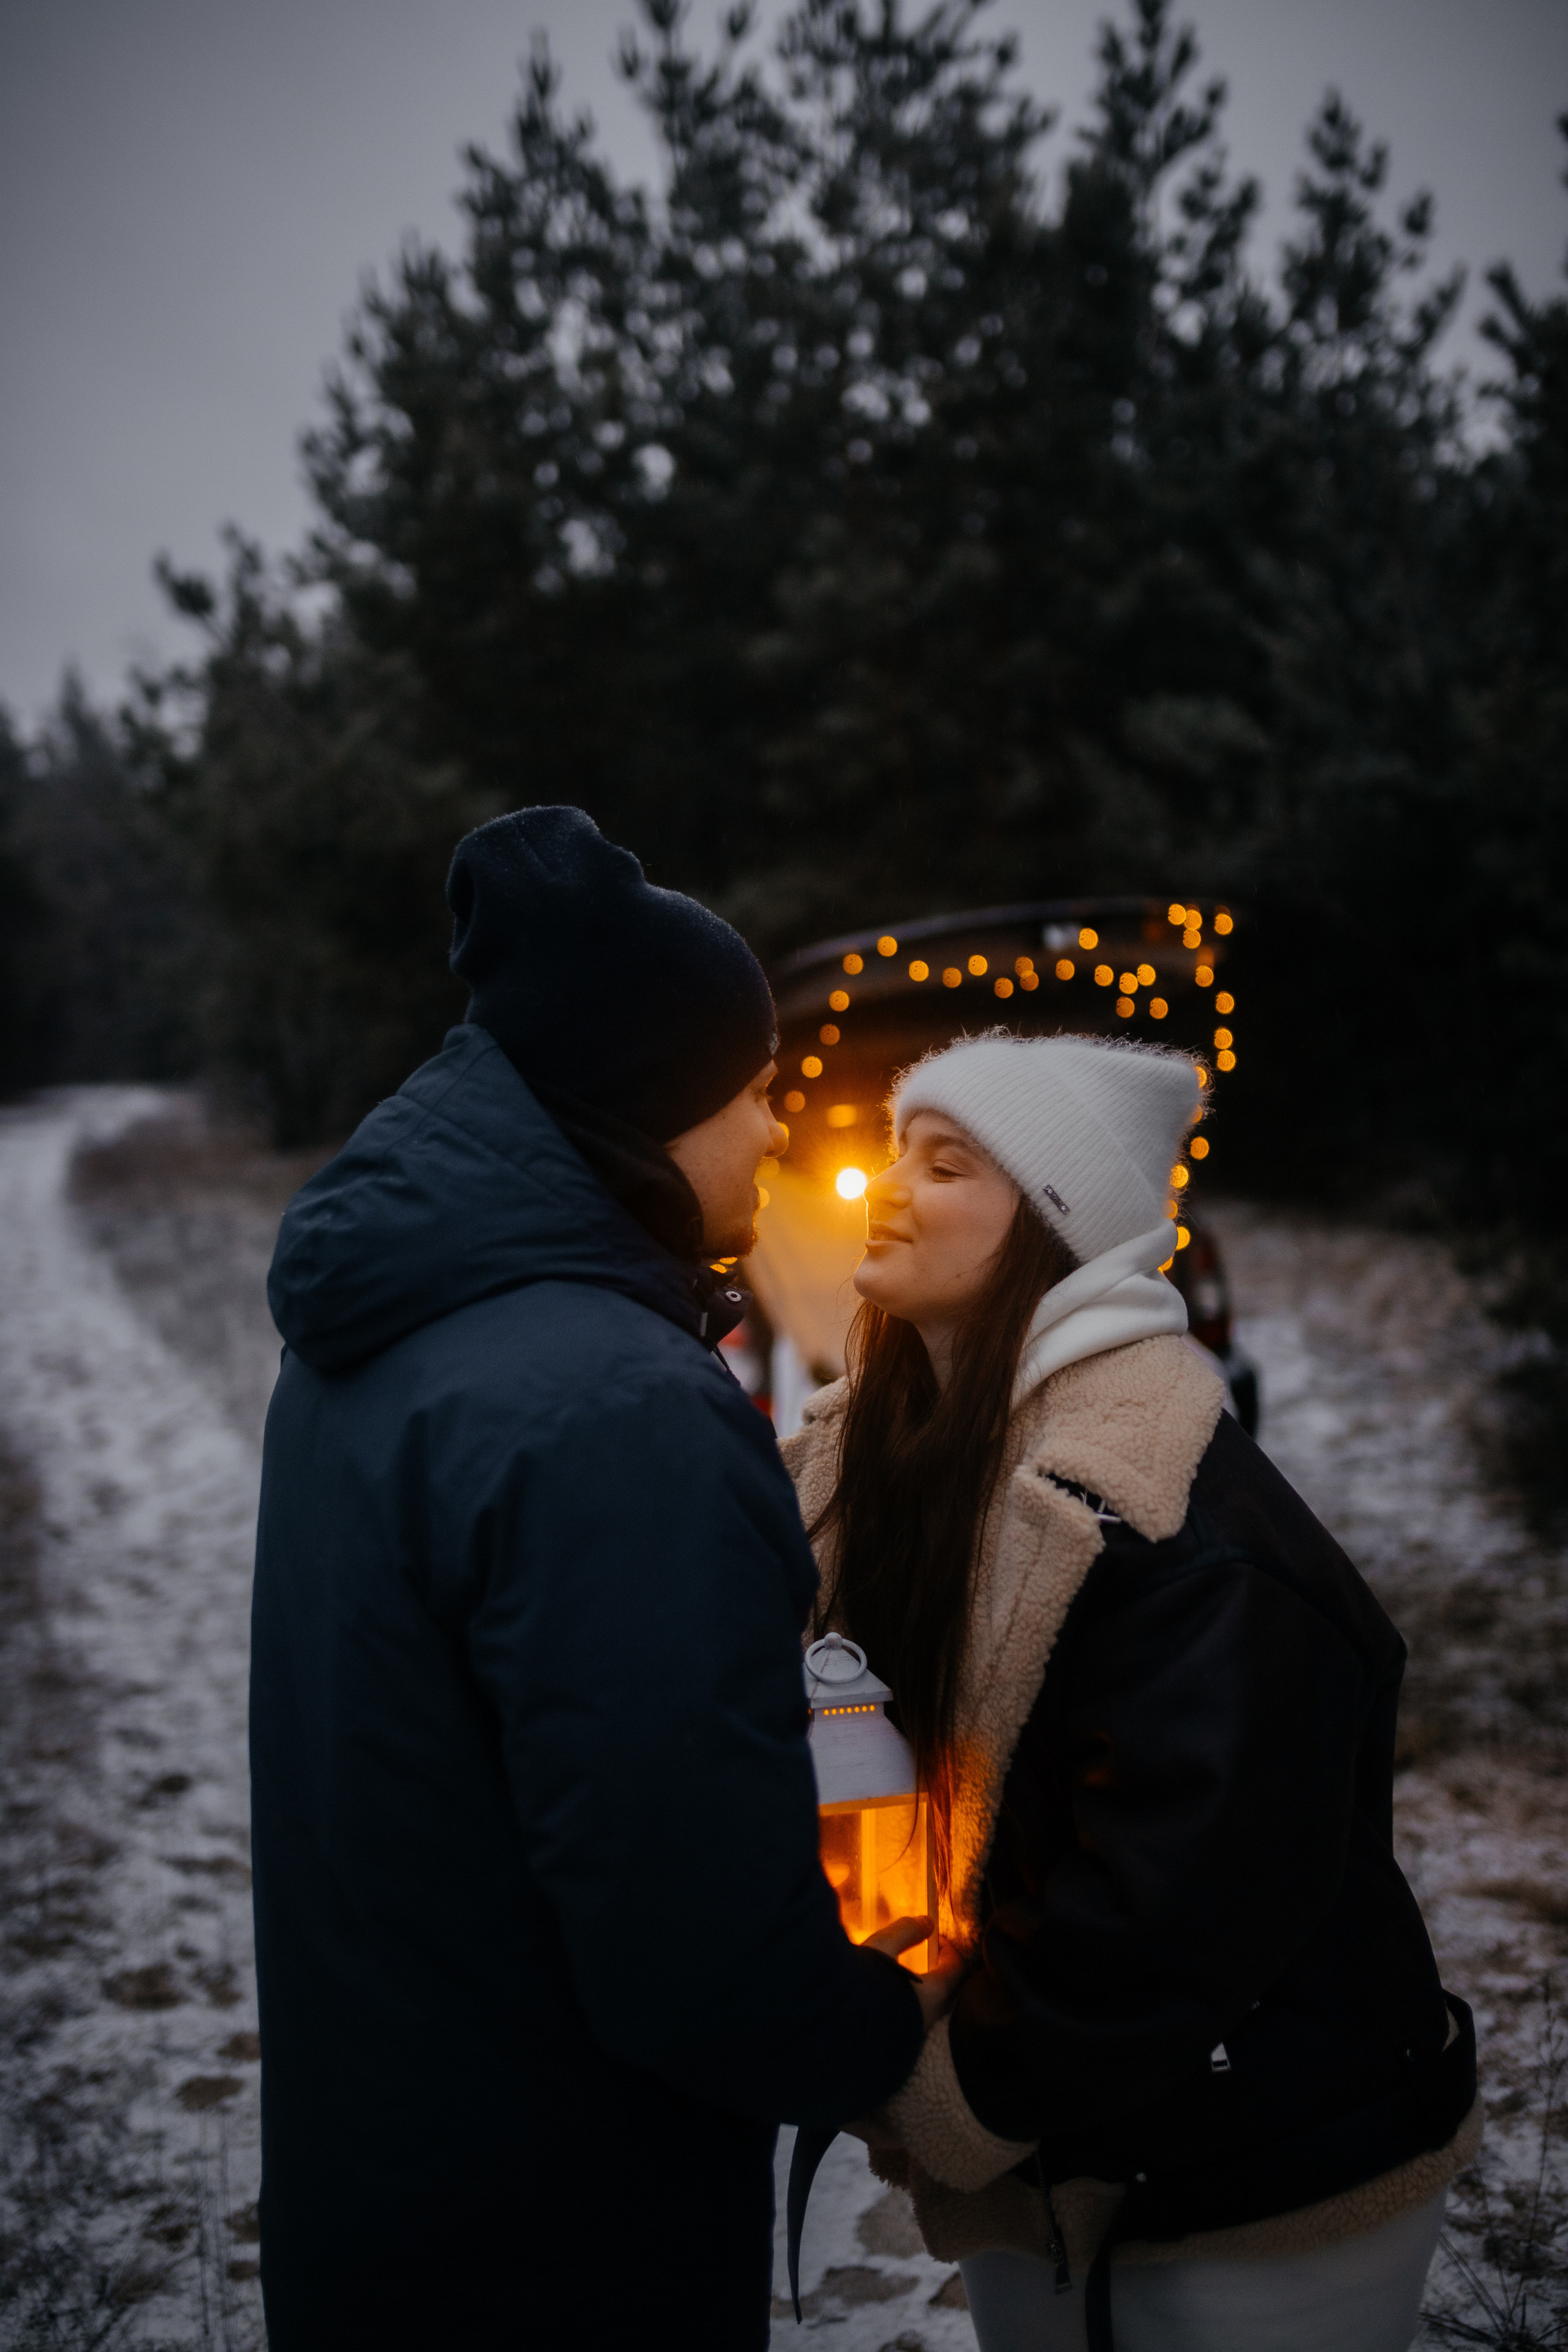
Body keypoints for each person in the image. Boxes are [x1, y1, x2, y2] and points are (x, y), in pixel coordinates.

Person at [250, 807, 937, 2351]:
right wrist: (880, 2027)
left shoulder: (384, 1328)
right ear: (649, 1101)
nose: (776, 1130)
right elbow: (689, 1940)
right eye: (752, 1091)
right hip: (558, 2238)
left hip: (385, 2182)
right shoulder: (614, 1411)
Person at [782, 1033, 1479, 2352]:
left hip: (1258, 2184)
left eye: (944, 1167)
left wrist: (939, 2093)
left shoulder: (1176, 1534)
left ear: (1055, 1228)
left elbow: (1166, 1908)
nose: (885, 1189)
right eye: (893, 1154)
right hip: (1047, 2162)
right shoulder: (890, 1458)